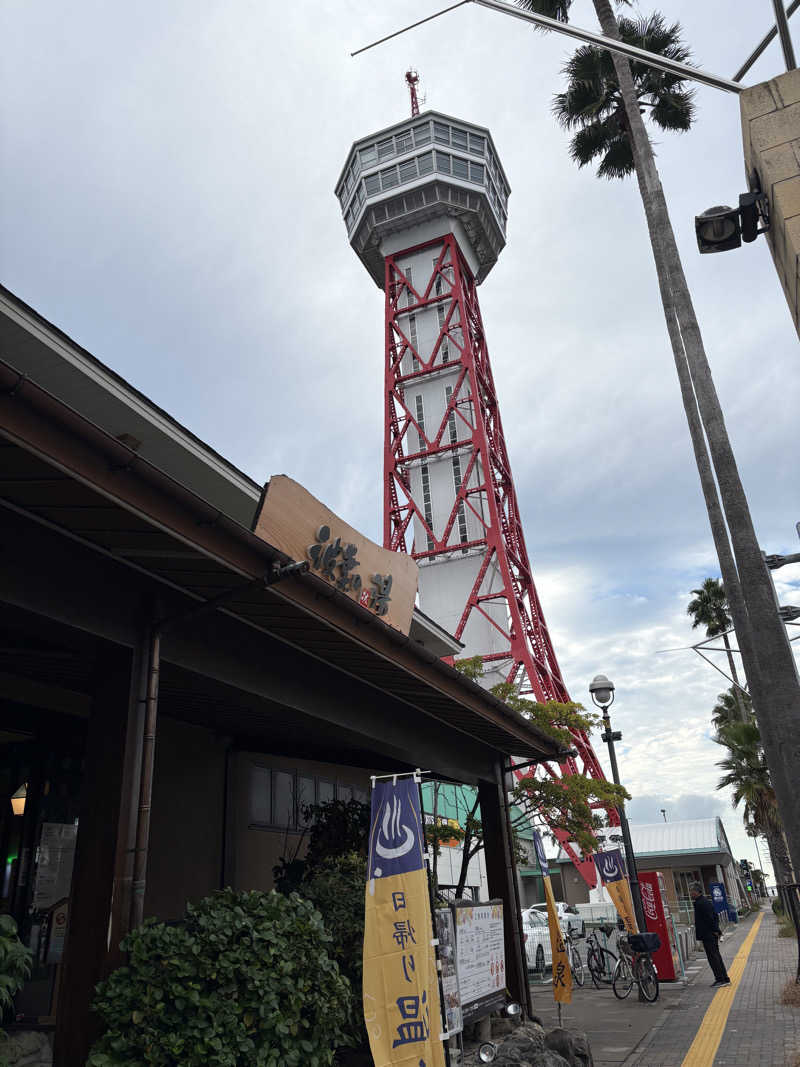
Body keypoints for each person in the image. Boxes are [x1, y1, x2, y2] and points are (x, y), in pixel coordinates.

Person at [690, 881, 730, 986]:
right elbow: (715, 916)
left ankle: (721, 979)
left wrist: (716, 931)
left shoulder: (701, 903)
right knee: (715, 956)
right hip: (709, 934)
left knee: (713, 957)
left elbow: (710, 919)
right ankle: (723, 978)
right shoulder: (704, 902)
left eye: (692, 891)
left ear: (697, 892)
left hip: (709, 934)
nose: (690, 894)